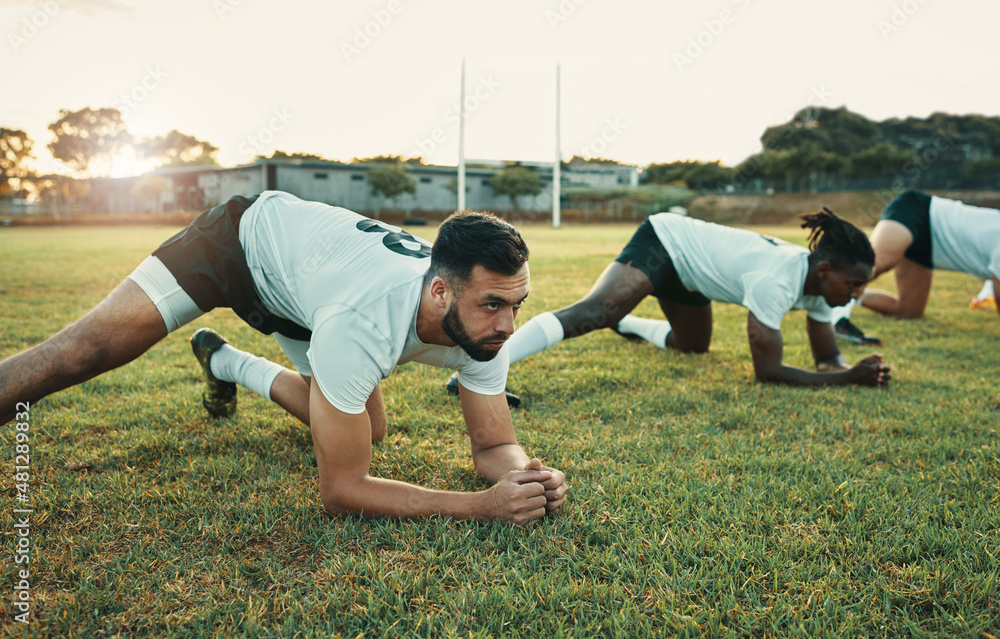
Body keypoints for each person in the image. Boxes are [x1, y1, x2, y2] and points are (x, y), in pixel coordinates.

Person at [0, 191, 568, 525]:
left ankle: (223, 361)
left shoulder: (486, 325)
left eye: (517, 305)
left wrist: (526, 478)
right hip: (235, 245)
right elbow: (342, 490)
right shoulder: (363, 322)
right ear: (440, 292)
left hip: (306, 292)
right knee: (81, 351)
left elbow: (493, 445)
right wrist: (480, 506)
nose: (508, 325)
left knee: (370, 427)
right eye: (494, 305)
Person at [448, 208, 890, 397]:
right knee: (598, 311)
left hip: (696, 278)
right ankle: (486, 371)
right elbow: (768, 373)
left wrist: (852, 367)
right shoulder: (779, 279)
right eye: (853, 285)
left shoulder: (820, 290)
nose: (856, 296)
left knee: (692, 346)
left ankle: (631, 326)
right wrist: (846, 379)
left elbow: (827, 356)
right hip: (667, 242)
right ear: (826, 270)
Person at [829, 190, 1000, 337]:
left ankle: (853, 298)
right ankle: (829, 302)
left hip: (928, 251)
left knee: (909, 311)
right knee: (875, 265)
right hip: (916, 213)